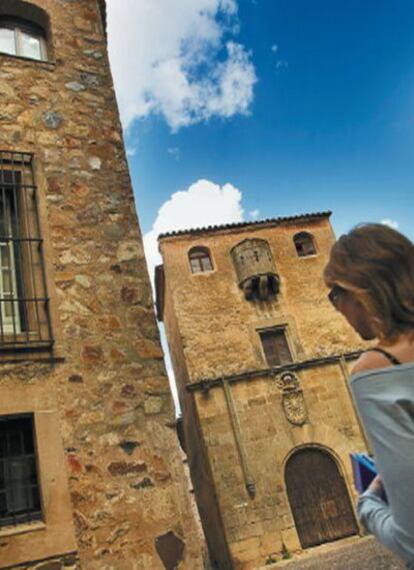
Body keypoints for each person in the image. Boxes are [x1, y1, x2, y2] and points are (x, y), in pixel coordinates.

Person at [324, 223, 414, 569]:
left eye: (335, 295)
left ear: (359, 289)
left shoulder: (377, 368)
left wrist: (369, 503)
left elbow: (410, 537)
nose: (337, 309)